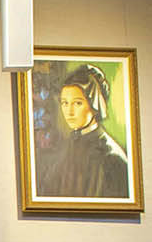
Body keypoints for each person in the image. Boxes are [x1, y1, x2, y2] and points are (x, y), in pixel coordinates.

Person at [38, 64, 130, 200]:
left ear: (94, 104)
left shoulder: (112, 158)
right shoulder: (64, 149)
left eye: (77, 103)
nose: (69, 112)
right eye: (64, 103)